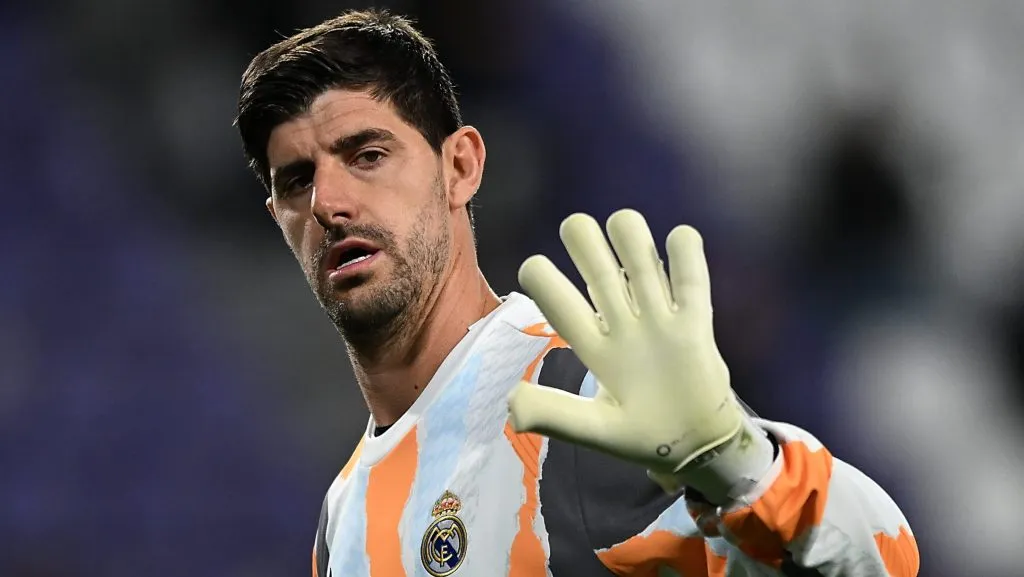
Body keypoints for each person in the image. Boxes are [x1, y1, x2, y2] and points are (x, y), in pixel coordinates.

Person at [234, 9, 919, 577]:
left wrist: (742, 465)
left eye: (368, 156)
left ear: (460, 167)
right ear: (277, 218)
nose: (330, 202)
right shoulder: (342, 517)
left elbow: (881, 559)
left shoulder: (582, 400)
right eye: (297, 180)